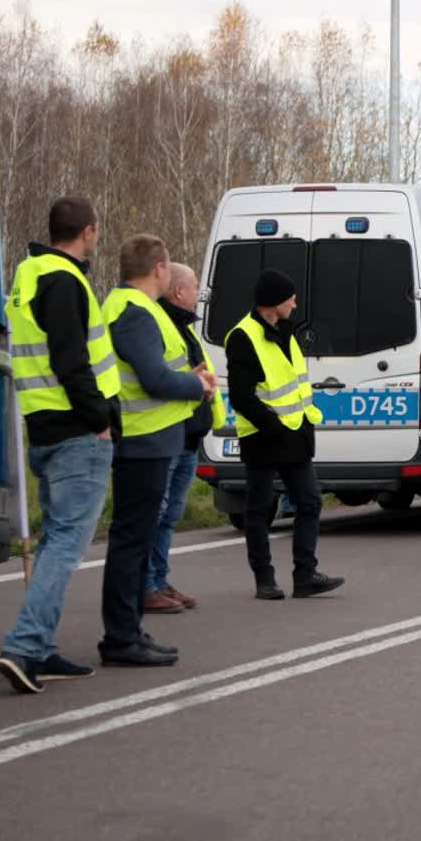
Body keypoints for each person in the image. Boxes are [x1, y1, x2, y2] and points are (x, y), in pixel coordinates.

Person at [0, 196, 122, 694]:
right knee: (66, 544)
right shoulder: (66, 280)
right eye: (96, 232)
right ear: (88, 232)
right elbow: (72, 361)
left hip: (43, 424)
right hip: (77, 431)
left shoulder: (27, 275)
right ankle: (25, 647)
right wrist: (99, 420)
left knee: (55, 540)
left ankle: (41, 649)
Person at [98, 235, 213, 667]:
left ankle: (127, 632)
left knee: (135, 539)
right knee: (131, 542)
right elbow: (152, 378)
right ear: (160, 270)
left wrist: (188, 374)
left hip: (150, 438)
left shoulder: (134, 307)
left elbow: (160, 368)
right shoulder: (133, 311)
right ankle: (121, 637)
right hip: (143, 439)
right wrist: (195, 384)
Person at [225, 268, 344, 600]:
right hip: (263, 436)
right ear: (274, 302)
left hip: (295, 434)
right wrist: (274, 426)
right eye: (290, 297)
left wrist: (303, 425)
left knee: (310, 502)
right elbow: (242, 396)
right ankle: (264, 578)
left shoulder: (287, 333)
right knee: (260, 509)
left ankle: (305, 575)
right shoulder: (242, 336)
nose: (295, 303)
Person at [145, 262, 225, 613]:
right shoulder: (162, 323)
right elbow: (164, 375)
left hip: (189, 434)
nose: (199, 293)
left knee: (170, 515)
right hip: (169, 431)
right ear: (179, 291)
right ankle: (146, 585)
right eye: (194, 286)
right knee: (157, 513)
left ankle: (159, 581)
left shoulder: (185, 327)